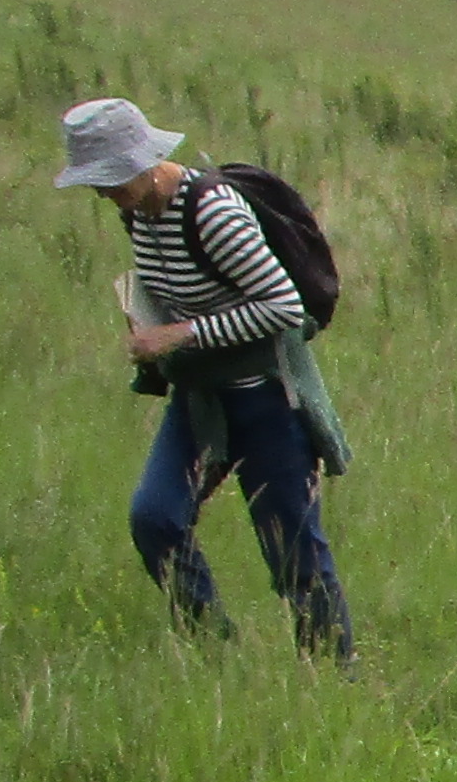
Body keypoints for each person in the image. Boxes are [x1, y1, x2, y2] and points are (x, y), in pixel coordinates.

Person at [59, 96, 352, 658]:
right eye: (97, 183)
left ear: (145, 161)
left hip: (269, 400)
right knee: (156, 519)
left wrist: (178, 335)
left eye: (112, 179)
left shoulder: (214, 213)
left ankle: (335, 680)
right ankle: (215, 653)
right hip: (202, 401)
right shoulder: (139, 214)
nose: (104, 193)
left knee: (294, 554)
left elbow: (284, 308)